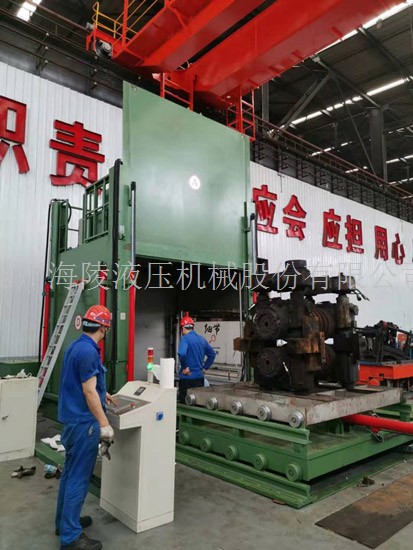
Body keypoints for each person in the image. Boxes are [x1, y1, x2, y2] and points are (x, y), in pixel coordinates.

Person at [55, 305, 116, 550]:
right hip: (84, 424)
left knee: (69, 474)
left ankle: (63, 523)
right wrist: (105, 424)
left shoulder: (75, 346)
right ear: (104, 328)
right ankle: (71, 537)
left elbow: (83, 382)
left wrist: (103, 393)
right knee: (79, 478)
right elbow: (88, 391)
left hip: (71, 421)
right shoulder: (90, 352)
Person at [178, 315, 216, 404]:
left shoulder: (185, 339)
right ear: (192, 327)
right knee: (198, 403)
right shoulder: (201, 339)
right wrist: (205, 368)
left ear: (183, 328)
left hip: (187, 379)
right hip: (199, 379)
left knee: (185, 405)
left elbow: (182, 354)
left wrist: (185, 367)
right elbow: (212, 354)